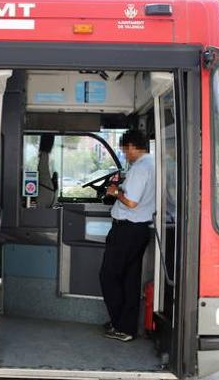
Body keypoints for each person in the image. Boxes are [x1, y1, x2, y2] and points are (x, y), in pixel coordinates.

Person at [100, 129, 155, 342]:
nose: (125, 155)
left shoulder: (140, 167)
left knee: (108, 276)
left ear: (132, 146)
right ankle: (126, 326)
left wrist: (115, 192)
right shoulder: (152, 164)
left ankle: (119, 324)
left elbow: (131, 202)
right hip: (139, 230)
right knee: (129, 280)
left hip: (127, 231)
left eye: (124, 151)